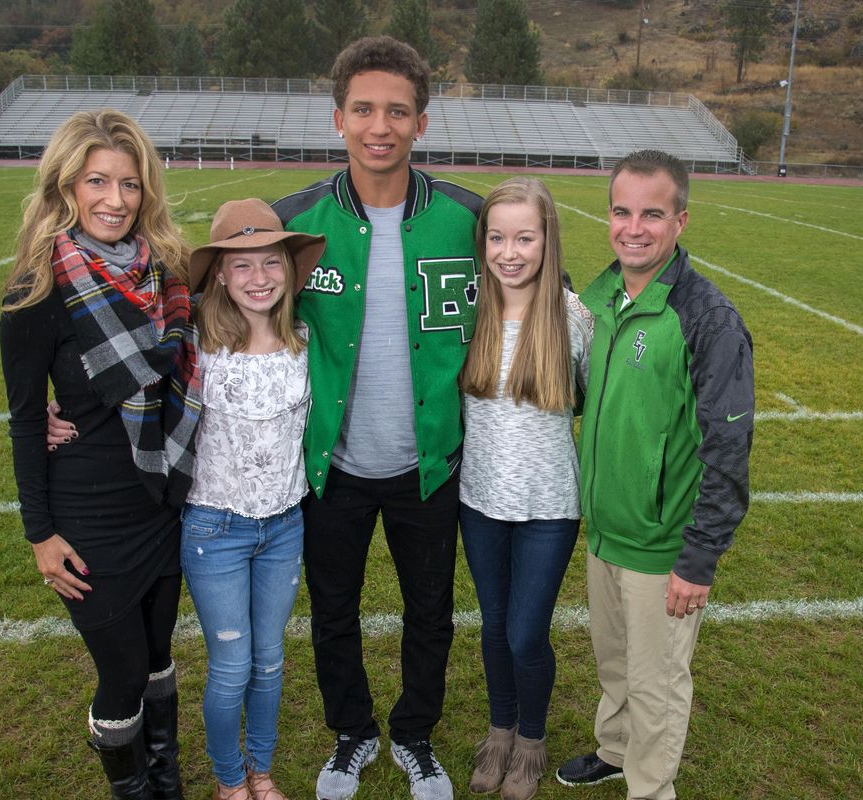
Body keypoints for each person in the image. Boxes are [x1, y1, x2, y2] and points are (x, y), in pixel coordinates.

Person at [271, 36, 481, 800]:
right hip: (333, 466)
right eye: (364, 109)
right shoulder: (293, 221)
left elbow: (541, 317)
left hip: (429, 463)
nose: (380, 125)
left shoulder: (469, 218)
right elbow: (220, 322)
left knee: (432, 612)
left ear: (422, 124)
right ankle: (353, 733)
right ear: (338, 118)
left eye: (397, 110)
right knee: (334, 612)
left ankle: (416, 735)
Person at [0, 109, 202, 800]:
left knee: (155, 656)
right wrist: (40, 535)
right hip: (89, 519)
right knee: (119, 674)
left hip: (162, 502)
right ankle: (134, 790)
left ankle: (165, 777)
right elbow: (28, 421)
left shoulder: (168, 274)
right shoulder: (37, 290)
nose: (116, 200)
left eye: (130, 184)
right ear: (67, 186)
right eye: (97, 182)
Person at [555, 150, 754, 800]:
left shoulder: (707, 319)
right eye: (621, 211)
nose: (633, 227)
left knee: (656, 679)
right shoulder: (601, 295)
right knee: (616, 665)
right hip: (605, 528)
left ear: (680, 220)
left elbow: (728, 451)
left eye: (652, 214)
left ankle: (650, 787)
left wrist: (697, 560)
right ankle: (615, 751)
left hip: (662, 543)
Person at [179, 199, 325, 800]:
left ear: (289, 270)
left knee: (270, 663)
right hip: (215, 527)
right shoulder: (194, 344)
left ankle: (260, 772)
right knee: (233, 666)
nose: (259, 278)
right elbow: (125, 392)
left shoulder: (307, 339)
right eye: (242, 266)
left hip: (284, 527)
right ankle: (229, 779)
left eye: (270, 263)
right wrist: (60, 415)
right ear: (219, 274)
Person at [456, 177, 592, 800]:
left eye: (525, 238)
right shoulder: (469, 309)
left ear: (548, 241)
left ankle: (531, 741)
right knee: (492, 625)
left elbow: (588, 397)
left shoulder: (572, 318)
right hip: (479, 501)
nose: (510, 252)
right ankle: (500, 730)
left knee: (525, 632)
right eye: (497, 237)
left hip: (548, 506)